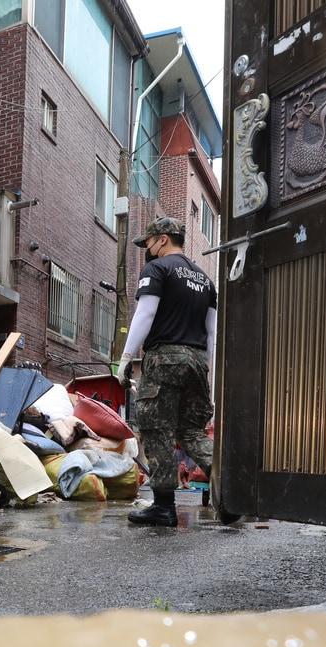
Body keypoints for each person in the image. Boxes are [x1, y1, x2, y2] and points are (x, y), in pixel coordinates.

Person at [118, 217, 227, 528]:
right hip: (197, 361)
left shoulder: (158, 269)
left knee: (157, 430)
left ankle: (163, 507)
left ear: (163, 239)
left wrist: (127, 356)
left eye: (149, 243)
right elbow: (212, 333)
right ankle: (230, 494)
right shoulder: (206, 280)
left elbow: (146, 312)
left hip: (164, 359)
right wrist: (210, 376)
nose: (148, 250)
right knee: (192, 432)